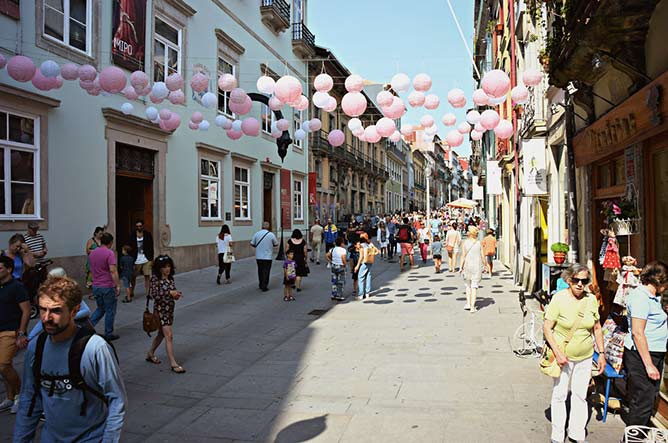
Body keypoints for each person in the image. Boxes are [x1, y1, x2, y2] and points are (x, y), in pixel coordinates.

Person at [13, 276, 127, 441]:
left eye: (56, 310)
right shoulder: (36, 346)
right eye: (43, 309)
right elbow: (29, 397)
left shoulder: (95, 348)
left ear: (75, 310)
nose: (46, 318)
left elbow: (117, 400)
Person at [543, 264, 605, 443]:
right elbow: (547, 327)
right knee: (560, 394)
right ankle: (557, 434)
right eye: (576, 280)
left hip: (585, 356)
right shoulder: (559, 299)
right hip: (563, 356)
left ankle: (577, 433)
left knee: (580, 395)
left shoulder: (591, 299)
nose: (579, 284)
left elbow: (597, 328)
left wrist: (601, 353)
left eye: (584, 281)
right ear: (568, 280)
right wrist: (558, 352)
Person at [623, 261, 668, 426]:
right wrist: (649, 365)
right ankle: (634, 436)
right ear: (658, 280)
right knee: (643, 398)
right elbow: (638, 332)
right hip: (642, 355)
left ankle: (636, 433)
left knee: (647, 396)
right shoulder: (641, 297)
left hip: (652, 352)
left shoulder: (652, 297)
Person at [145, 255, 185, 373]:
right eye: (164, 267)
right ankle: (173, 363)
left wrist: (176, 295)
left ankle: (150, 353)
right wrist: (169, 293)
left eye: (168, 266)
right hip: (160, 311)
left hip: (169, 310)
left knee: (161, 335)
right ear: (159, 268)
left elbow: (172, 293)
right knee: (169, 336)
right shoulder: (155, 279)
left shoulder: (170, 278)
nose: (167, 269)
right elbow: (155, 295)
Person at [0, 255, 29, 413]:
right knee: (4, 367)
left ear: (9, 269)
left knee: (3, 365)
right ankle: (10, 397)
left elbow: (26, 311)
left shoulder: (17, 287)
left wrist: (21, 333)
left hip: (11, 331)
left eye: (0, 268)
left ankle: (20, 395)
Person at [88, 233, 121, 341]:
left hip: (96, 285)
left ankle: (87, 327)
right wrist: (117, 285)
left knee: (100, 308)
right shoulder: (109, 253)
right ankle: (108, 333)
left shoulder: (92, 253)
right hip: (107, 285)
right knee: (110, 310)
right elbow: (113, 270)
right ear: (110, 242)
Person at [459, 226, 487, 313]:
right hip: (477, 266)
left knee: (467, 286)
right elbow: (482, 256)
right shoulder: (479, 243)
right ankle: (472, 307)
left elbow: (463, 256)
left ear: (470, 233)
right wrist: (485, 265)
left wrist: (460, 267)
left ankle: (468, 303)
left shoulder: (465, 243)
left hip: (467, 266)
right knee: (474, 286)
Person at [129, 220, 154, 299]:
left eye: (140, 226)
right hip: (136, 259)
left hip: (146, 258)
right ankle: (132, 291)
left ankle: (147, 293)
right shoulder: (132, 235)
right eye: (137, 226)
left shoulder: (147, 234)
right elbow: (130, 247)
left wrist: (152, 258)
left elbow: (151, 247)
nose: (139, 228)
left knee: (147, 276)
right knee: (133, 277)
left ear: (143, 226)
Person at [250, 222, 278, 292]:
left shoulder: (257, 234)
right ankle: (264, 285)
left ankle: (260, 284)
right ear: (268, 227)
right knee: (266, 271)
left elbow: (252, 243)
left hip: (259, 256)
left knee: (260, 270)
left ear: (261, 226)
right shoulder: (271, 235)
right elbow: (276, 244)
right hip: (267, 256)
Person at [355, 233, 378, 300]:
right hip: (370, 262)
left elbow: (361, 256)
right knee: (368, 276)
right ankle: (367, 293)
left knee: (360, 277)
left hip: (364, 262)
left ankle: (361, 294)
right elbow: (376, 251)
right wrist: (371, 255)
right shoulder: (370, 244)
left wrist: (357, 265)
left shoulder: (361, 245)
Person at [327, 236, 347, 301]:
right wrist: (345, 264)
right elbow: (343, 258)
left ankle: (333, 294)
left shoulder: (332, 249)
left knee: (334, 281)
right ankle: (339, 295)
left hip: (334, 265)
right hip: (341, 266)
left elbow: (327, 255)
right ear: (341, 243)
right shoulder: (343, 250)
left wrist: (331, 260)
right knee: (340, 281)